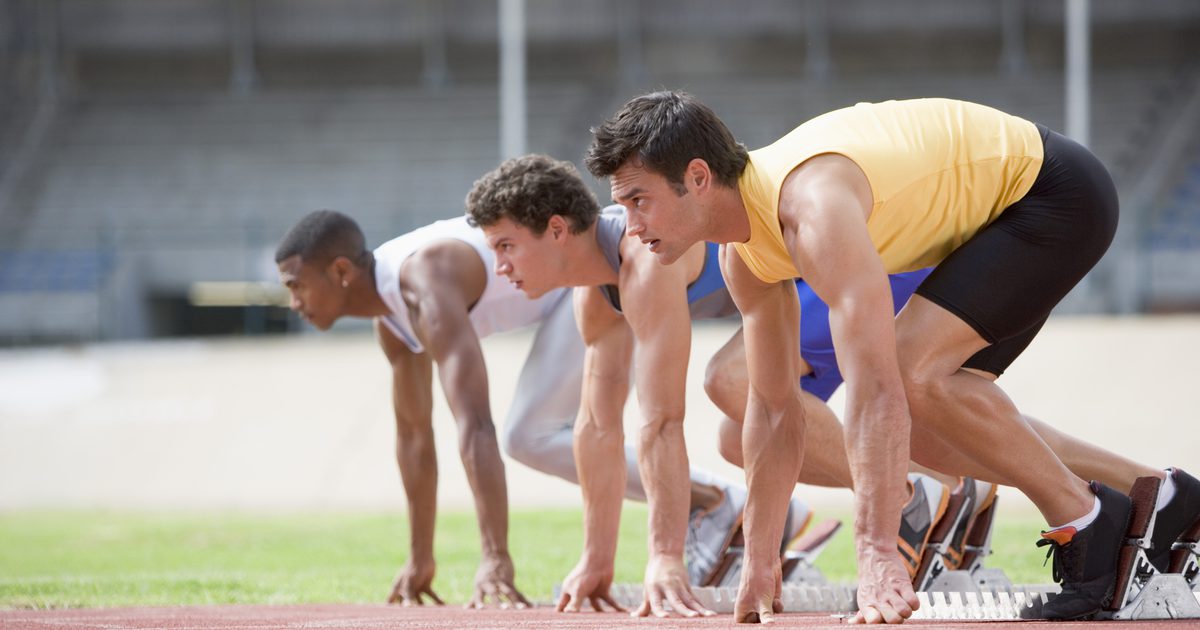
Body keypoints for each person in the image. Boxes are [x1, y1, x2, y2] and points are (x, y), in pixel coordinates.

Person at [584, 92, 1200, 623]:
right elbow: (775, 412)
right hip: (999, 219)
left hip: (1053, 191)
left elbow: (875, 391)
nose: (629, 223)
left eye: (638, 200)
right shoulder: (743, 258)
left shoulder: (810, 209)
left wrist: (878, 554)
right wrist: (762, 559)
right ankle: (1162, 497)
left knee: (906, 375)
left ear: (696, 177)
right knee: (925, 437)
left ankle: (1087, 523)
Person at [464, 155, 953, 616]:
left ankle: (916, 495)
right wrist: (596, 558)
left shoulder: (645, 259)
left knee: (730, 379)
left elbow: (661, 421)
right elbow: (597, 427)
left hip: (870, 262)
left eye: (506, 247)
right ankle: (937, 487)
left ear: (555, 230)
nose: (500, 266)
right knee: (733, 440)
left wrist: (665, 555)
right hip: (798, 286)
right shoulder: (594, 296)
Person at [274, 209, 755, 607]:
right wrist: (421, 557)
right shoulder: (394, 321)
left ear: (341, 272)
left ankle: (716, 502)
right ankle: (718, 502)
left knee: (527, 435)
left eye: (297, 285)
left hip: (587, 273)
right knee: (531, 436)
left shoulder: (424, 278)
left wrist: (495, 557)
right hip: (566, 291)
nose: (293, 302)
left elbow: (474, 425)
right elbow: (416, 438)